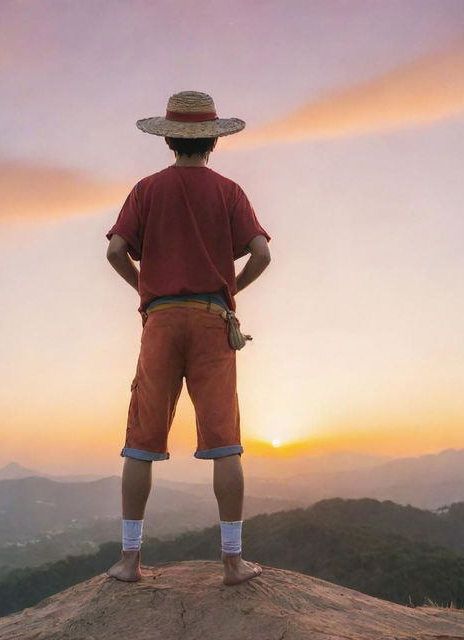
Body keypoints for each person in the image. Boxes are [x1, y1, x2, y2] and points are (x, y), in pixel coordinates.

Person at [105, 90, 271, 586]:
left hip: (160, 320)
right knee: (225, 442)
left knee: (141, 441)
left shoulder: (146, 190)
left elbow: (116, 250)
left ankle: (130, 561)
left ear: (168, 139)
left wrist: (148, 290)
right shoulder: (229, 192)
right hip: (211, 319)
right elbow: (261, 254)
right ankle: (233, 562)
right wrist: (227, 293)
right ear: (212, 141)